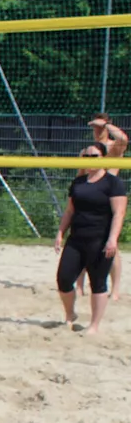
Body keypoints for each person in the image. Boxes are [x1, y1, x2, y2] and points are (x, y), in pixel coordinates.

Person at [55, 142, 126, 334]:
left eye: (94, 156)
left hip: (100, 240)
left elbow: (119, 214)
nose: (89, 160)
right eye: (86, 156)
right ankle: (70, 315)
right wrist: (60, 233)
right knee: (63, 279)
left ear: (103, 158)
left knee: (98, 282)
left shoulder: (113, 183)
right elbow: (70, 211)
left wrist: (112, 239)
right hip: (77, 238)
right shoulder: (78, 182)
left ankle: (94, 325)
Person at [85, 113, 127, 299]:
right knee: (85, 240)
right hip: (94, 194)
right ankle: (80, 286)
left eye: (98, 128)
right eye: (94, 128)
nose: (96, 131)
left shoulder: (112, 147)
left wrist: (106, 125)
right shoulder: (93, 149)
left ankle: (115, 289)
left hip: (110, 195)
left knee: (111, 244)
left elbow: (123, 138)